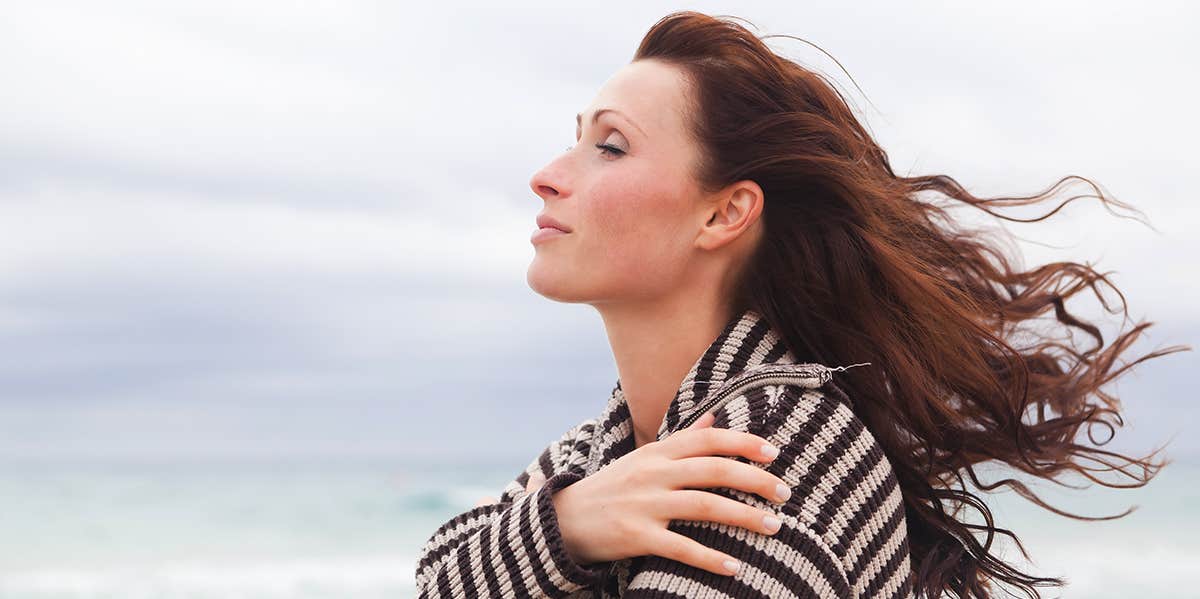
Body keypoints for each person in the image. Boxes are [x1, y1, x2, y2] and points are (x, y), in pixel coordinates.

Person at [415, 10, 1186, 599]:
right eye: (574, 138)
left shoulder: (764, 453)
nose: (548, 174)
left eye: (609, 146)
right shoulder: (613, 454)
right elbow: (435, 573)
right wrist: (569, 524)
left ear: (723, 214)